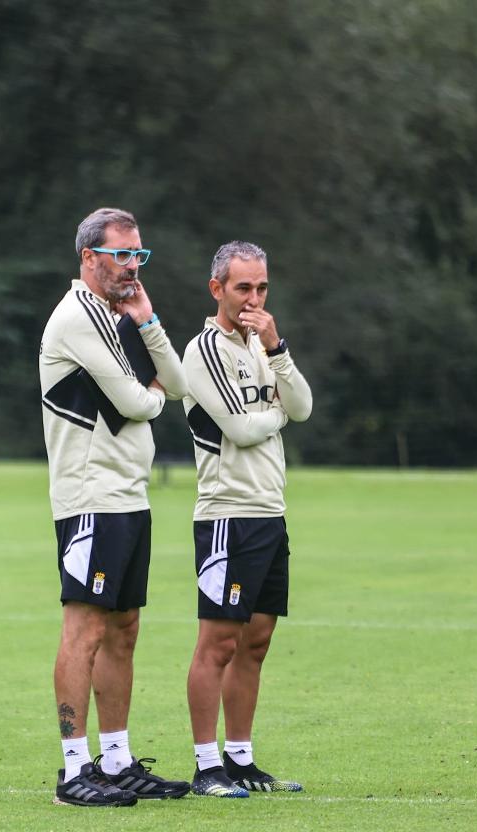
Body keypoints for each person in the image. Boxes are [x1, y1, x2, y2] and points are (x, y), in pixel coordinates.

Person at [39, 207, 192, 806]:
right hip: (89, 495)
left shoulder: (122, 316)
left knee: (124, 627)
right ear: (88, 258)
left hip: (128, 493)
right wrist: (151, 393)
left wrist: (148, 320)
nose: (132, 264)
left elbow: (176, 386)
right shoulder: (77, 317)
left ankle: (117, 759)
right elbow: (137, 401)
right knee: (85, 628)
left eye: (139, 255)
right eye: (122, 254)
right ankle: (75, 771)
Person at [180, 241, 312, 798]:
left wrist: (277, 348)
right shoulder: (203, 349)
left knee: (256, 641)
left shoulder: (264, 347)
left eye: (261, 288)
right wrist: (275, 413)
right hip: (227, 515)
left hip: (269, 512)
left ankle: (240, 759)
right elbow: (239, 428)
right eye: (243, 288)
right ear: (217, 289)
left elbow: (302, 406)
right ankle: (206, 764)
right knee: (219, 641)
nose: (253, 299)